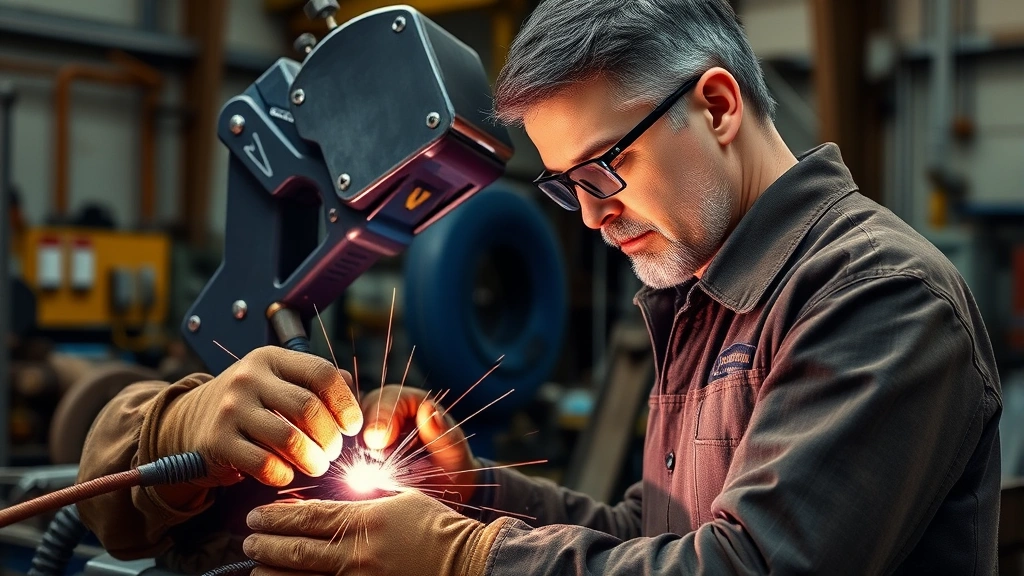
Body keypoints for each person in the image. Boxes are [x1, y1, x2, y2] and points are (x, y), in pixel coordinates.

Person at [79, 0, 1002, 574]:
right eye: (566, 187)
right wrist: (472, 490)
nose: (592, 215)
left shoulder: (876, 298)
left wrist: (463, 558)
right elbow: (653, 538)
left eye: (604, 167)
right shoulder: (701, 294)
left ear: (717, 106)